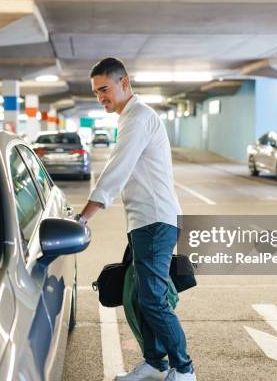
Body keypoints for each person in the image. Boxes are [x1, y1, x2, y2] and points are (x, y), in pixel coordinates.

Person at [76, 57, 195, 381]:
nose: (101, 96)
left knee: (153, 299)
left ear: (124, 82)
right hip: (144, 222)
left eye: (105, 89)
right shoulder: (130, 117)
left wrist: (85, 216)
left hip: (156, 221)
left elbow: (118, 168)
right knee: (139, 297)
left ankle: (184, 369)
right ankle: (155, 363)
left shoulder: (138, 117)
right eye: (96, 92)